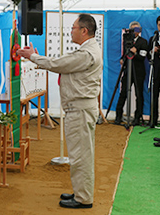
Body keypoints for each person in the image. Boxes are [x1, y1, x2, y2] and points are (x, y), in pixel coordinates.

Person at [17, 14, 102, 209]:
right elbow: (62, 63)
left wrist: (33, 57)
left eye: (73, 28)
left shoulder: (86, 54)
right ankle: (81, 192)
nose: (70, 31)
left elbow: (59, 64)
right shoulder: (88, 50)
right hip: (80, 108)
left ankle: (83, 198)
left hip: (80, 109)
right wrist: (37, 58)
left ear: (84, 31)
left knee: (80, 155)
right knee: (80, 153)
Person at [115, 21, 148, 126]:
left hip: (138, 72)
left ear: (140, 30)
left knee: (139, 94)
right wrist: (122, 59)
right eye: (133, 29)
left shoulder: (143, 42)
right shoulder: (126, 40)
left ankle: (137, 117)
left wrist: (135, 52)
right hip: (127, 70)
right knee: (123, 92)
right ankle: (118, 116)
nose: (135, 32)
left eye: (137, 29)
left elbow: (143, 57)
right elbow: (124, 54)